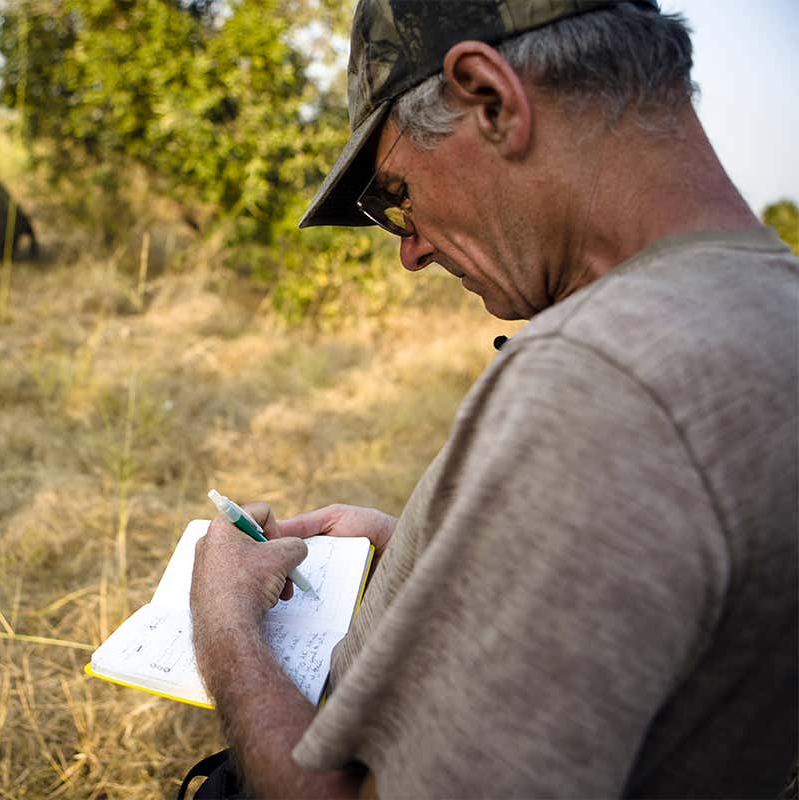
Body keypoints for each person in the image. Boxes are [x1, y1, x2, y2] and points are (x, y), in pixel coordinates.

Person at [188, 0, 799, 797]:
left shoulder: (597, 379)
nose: (408, 251)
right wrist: (427, 549)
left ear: (490, 98)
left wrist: (226, 627)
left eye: (394, 194)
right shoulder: (765, 306)